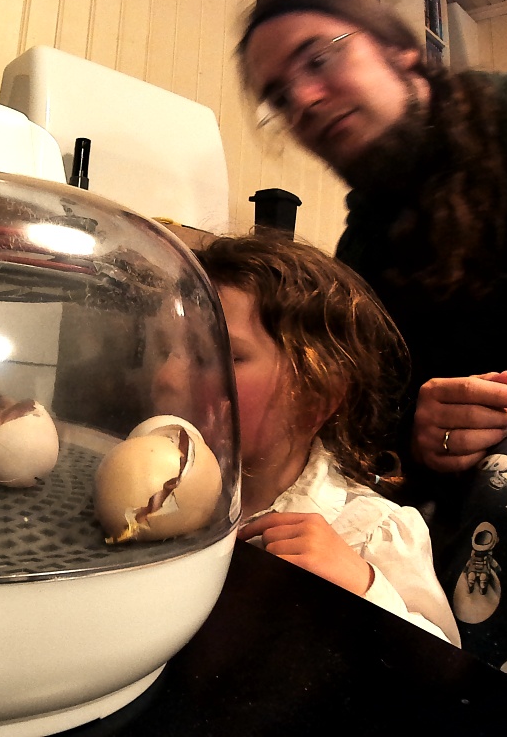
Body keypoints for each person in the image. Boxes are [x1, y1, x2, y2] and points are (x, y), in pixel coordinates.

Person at [235, 0, 507, 703]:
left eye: (319, 59)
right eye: (281, 97)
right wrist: (420, 432)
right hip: (490, 461)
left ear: (404, 51)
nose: (305, 101)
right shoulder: (366, 256)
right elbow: (376, 422)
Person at [194, 234, 459, 645]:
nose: (171, 376)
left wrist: (364, 589)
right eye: (182, 351)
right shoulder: (171, 494)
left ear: (316, 397)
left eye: (228, 356)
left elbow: (443, 661)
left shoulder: (372, 532)